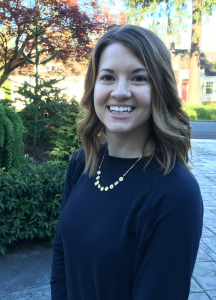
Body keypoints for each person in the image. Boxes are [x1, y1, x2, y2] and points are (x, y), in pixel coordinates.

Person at [50, 25, 203, 300]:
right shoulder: (82, 162)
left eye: (138, 78)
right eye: (107, 77)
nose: (120, 92)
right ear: (94, 87)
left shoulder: (176, 193)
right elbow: (62, 251)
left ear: (160, 89)